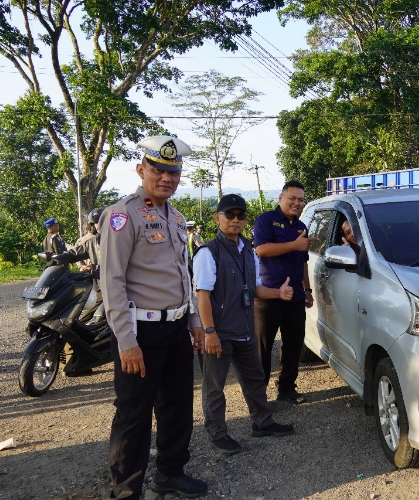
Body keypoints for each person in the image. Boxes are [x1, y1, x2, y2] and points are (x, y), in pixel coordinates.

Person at [99, 135, 207, 500]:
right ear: (140, 170)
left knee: (177, 408)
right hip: (140, 332)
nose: (166, 178)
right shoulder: (122, 215)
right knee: (134, 414)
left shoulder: (175, 217)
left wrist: (193, 322)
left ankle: (170, 474)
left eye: (173, 172)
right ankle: (125, 491)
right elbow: (112, 281)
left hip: (176, 327)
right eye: (158, 170)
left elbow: (183, 274)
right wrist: (126, 342)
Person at [193, 194, 295, 455]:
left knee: (254, 379)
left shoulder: (248, 251)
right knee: (215, 387)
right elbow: (202, 296)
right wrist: (209, 332)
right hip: (220, 333)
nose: (235, 220)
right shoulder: (208, 253)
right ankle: (217, 433)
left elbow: (255, 289)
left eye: (241, 215)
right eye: (230, 215)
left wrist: (278, 293)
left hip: (246, 330)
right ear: (217, 218)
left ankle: (262, 422)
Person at [253, 180, 317, 404]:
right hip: (269, 296)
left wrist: (307, 289)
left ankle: (286, 388)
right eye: (292, 198)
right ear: (281, 198)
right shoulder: (266, 220)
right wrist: (293, 245)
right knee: (263, 347)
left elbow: (303, 262)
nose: (297, 203)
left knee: (293, 345)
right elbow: (261, 250)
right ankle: (258, 394)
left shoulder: (302, 227)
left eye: (301, 200)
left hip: (295, 297)